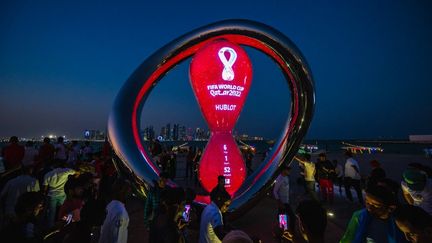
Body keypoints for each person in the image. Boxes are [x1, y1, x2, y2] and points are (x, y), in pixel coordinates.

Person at [340, 179, 406, 243]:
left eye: (376, 205)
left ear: (391, 208)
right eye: (367, 202)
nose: (369, 208)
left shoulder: (401, 223)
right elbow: (348, 238)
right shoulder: (360, 216)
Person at [42, 161, 77, 228]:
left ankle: (51, 227)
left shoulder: (48, 174)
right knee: (63, 210)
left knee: (52, 213)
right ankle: (63, 225)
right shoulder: (65, 171)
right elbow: (75, 172)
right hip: (62, 194)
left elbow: (45, 188)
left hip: (52, 195)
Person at [99, 178, 131, 243]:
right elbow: (117, 237)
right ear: (122, 191)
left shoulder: (109, 205)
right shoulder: (120, 211)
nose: (129, 193)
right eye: (128, 190)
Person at [273, 166, 295, 231]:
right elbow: (275, 191)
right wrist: (279, 201)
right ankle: (287, 231)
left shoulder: (286, 177)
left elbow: (286, 188)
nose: (289, 172)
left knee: (282, 215)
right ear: (283, 170)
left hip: (286, 201)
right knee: (291, 216)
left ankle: (283, 230)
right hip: (282, 202)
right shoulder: (279, 179)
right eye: (288, 170)